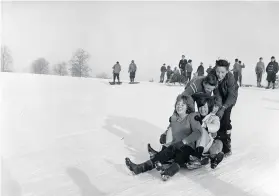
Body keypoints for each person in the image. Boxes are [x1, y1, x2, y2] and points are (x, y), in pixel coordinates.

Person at [125, 95, 202, 180]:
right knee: (164, 154)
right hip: (174, 146)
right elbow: (170, 129)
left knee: (180, 155)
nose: (179, 106)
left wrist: (184, 142)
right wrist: (164, 135)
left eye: (182, 105)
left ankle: (168, 172)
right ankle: (140, 168)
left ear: (188, 106)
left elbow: (198, 133)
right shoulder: (174, 118)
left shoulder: (191, 117)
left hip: (188, 147)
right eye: (178, 104)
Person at [186, 94, 224, 170]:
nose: (214, 109)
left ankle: (210, 158)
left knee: (216, 141)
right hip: (194, 143)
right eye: (213, 106)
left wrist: (205, 125)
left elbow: (216, 127)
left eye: (217, 107)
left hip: (206, 144)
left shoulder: (214, 118)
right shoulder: (196, 115)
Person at [210, 59, 239, 157]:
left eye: (222, 72)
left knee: (225, 118)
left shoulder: (230, 77)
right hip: (220, 96)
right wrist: (218, 105)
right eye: (218, 71)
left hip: (230, 97)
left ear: (227, 71)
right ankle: (216, 140)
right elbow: (217, 93)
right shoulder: (212, 74)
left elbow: (232, 95)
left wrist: (223, 107)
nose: (219, 74)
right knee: (218, 116)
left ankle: (226, 146)